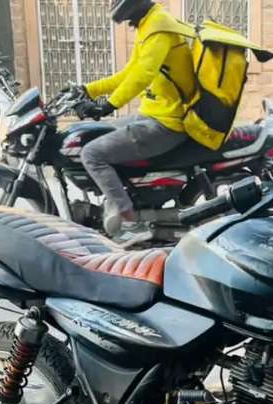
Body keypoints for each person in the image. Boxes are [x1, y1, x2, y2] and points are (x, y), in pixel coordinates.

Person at [75, 0, 195, 237]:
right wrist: (88, 89)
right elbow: (129, 73)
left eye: (129, 17)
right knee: (102, 133)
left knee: (92, 154)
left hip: (167, 122)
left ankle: (129, 223)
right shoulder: (150, 24)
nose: (130, 24)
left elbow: (143, 74)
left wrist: (109, 105)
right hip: (153, 114)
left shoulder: (159, 27)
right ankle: (121, 200)